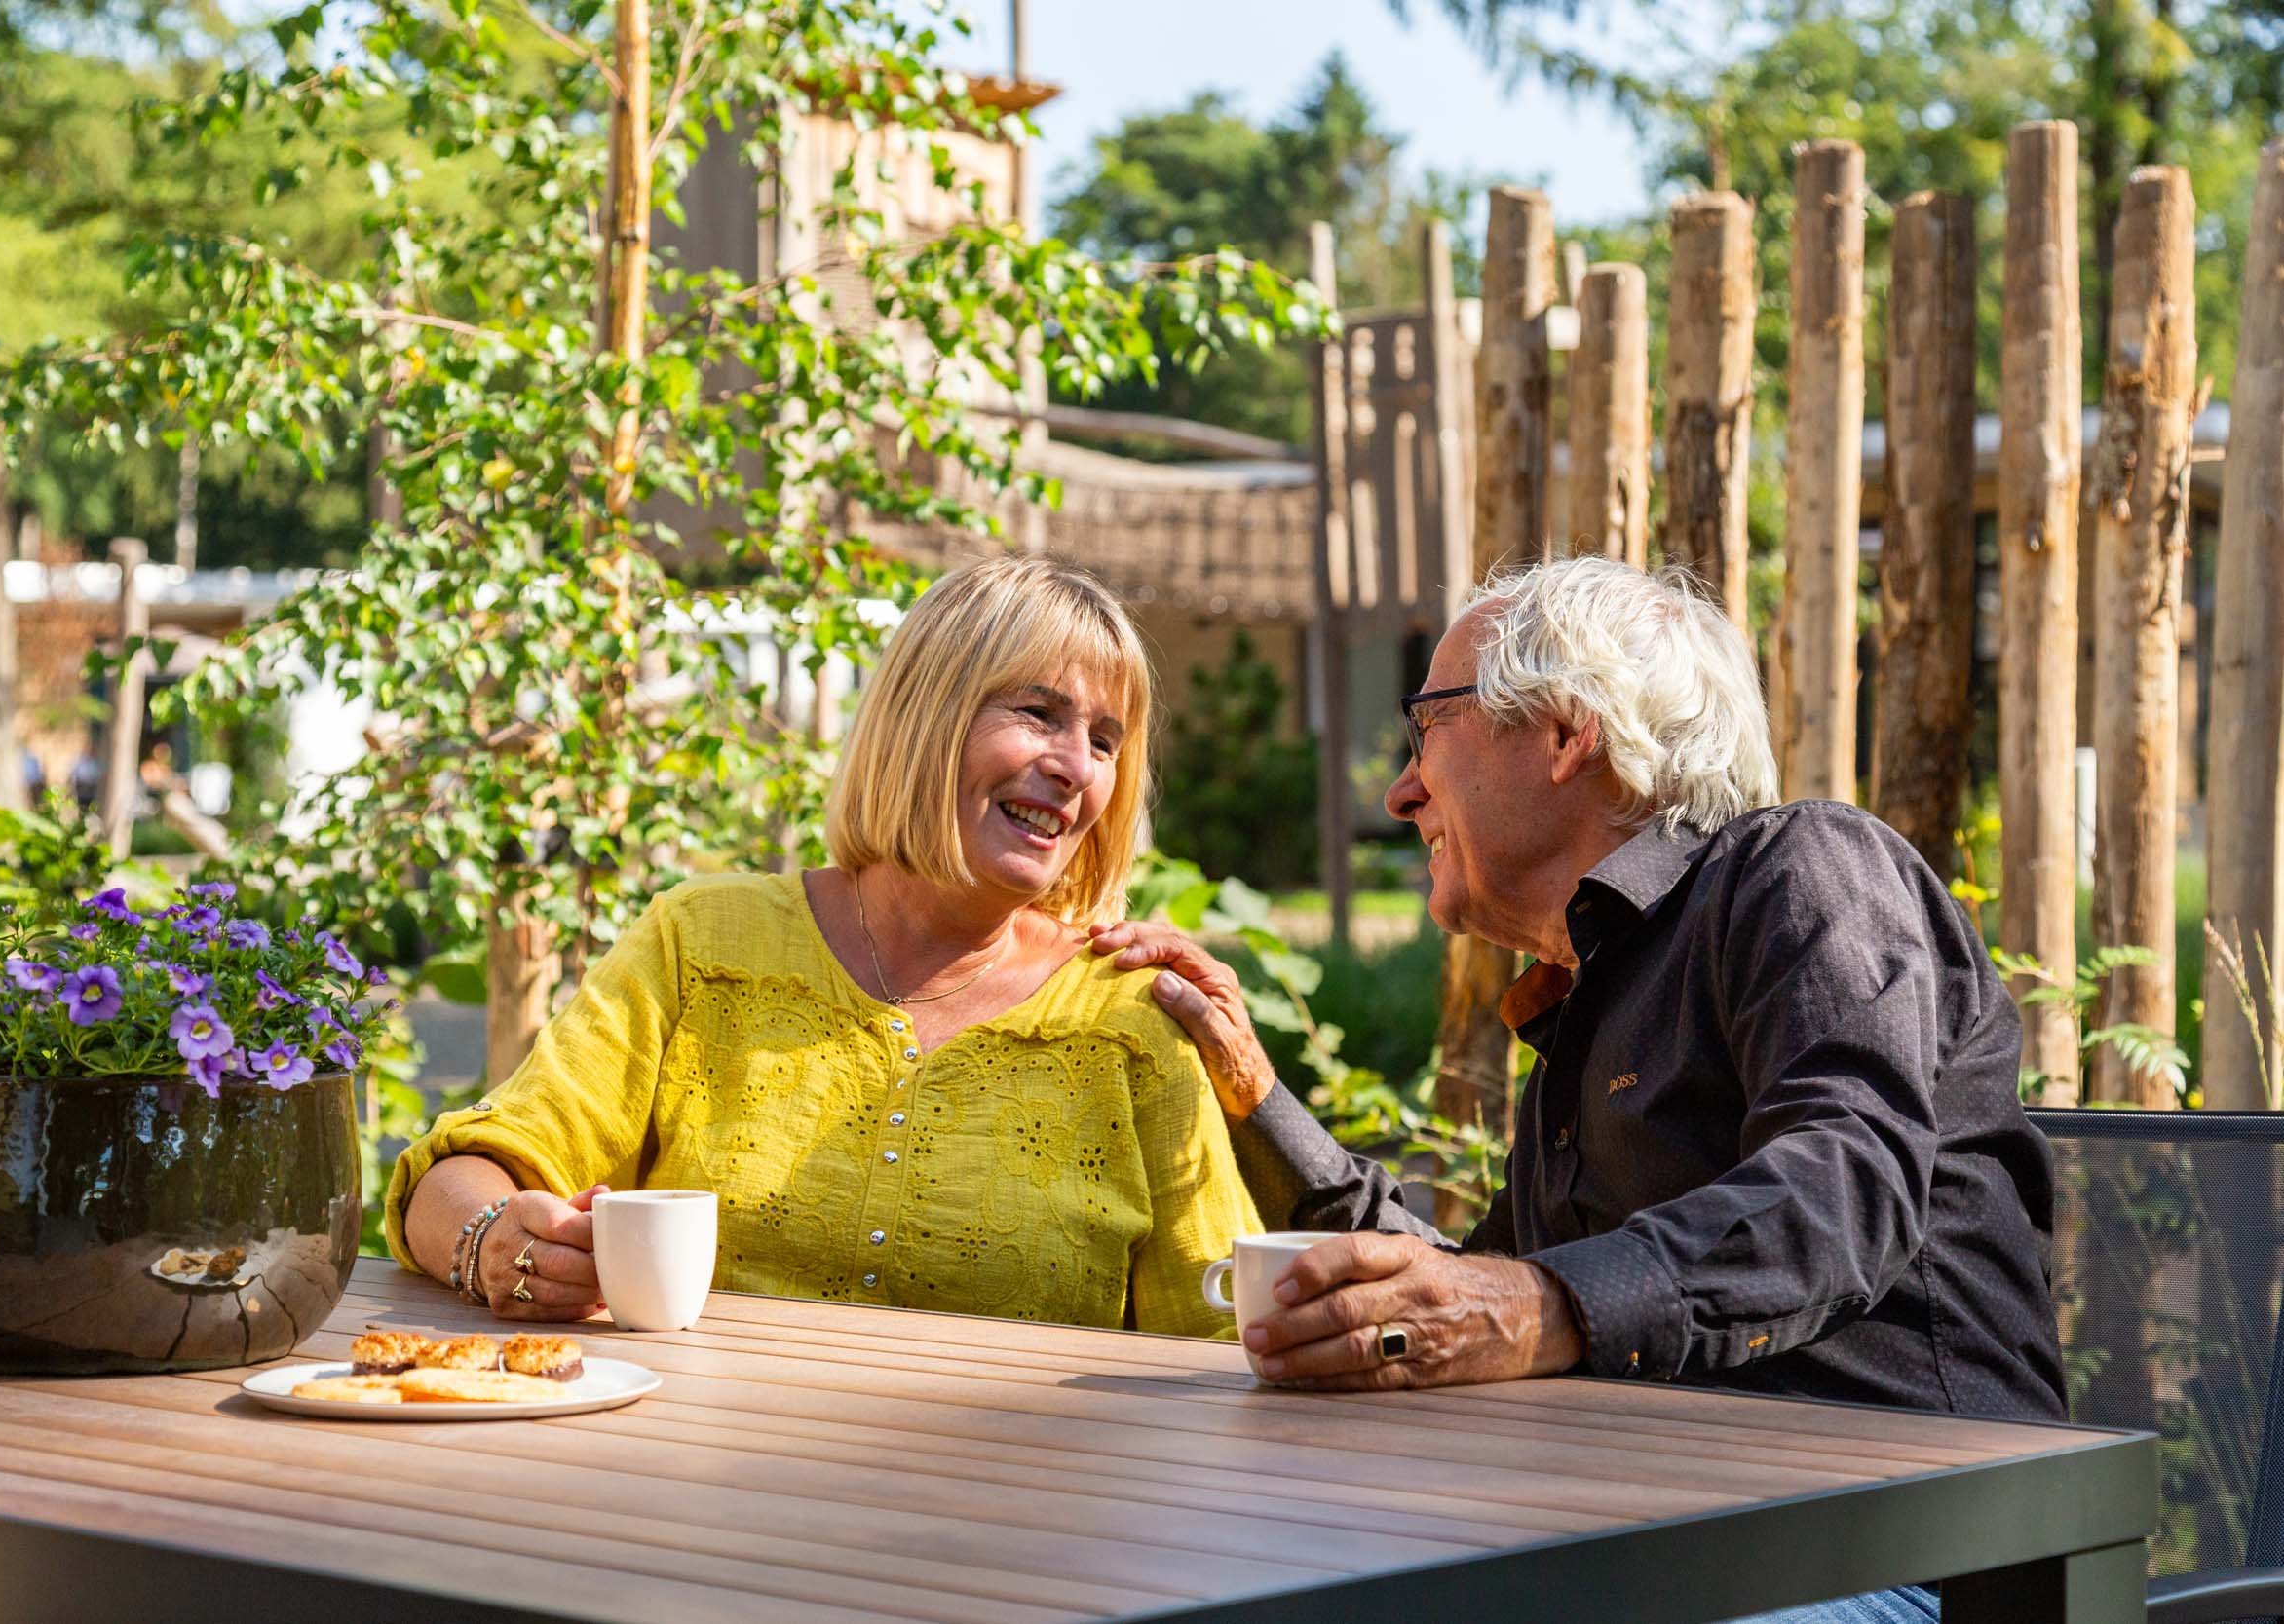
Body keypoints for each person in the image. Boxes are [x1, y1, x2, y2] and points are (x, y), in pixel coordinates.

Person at [1095, 554, 2066, 1419]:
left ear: (1563, 731)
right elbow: (1464, 1286)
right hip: (1663, 1527)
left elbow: (1841, 1190)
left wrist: (1539, 1306)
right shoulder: (1591, 997)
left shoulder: (1802, 866)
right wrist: (1255, 1094)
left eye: (1428, 725)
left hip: (1915, 1541)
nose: (1399, 792)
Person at [387, 555, 1259, 1337]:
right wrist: (494, 1240)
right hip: (696, 1492)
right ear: (927, 716)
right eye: (1039, 714)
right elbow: (460, 1171)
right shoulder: (704, 942)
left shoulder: (1130, 1011)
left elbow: (1230, 1330)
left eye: (1105, 741)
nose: (1078, 767)